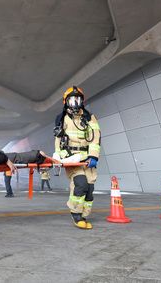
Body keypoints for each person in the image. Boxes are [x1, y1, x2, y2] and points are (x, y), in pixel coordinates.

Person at [54, 86, 100, 230]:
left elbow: (96, 137)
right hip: (71, 158)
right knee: (81, 184)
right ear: (66, 102)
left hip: (87, 158)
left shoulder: (89, 117)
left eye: (78, 99)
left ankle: (84, 215)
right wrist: (62, 157)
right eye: (72, 100)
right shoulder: (62, 118)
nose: (75, 103)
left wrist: (93, 156)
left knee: (90, 188)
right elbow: (58, 141)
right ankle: (76, 214)